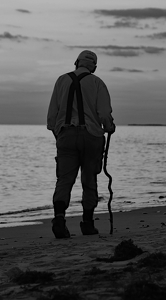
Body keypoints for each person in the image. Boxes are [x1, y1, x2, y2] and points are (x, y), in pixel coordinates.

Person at [47, 50, 115, 239]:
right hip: (91, 136)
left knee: (64, 179)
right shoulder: (97, 82)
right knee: (89, 179)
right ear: (94, 66)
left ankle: (59, 219)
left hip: (65, 135)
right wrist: (110, 127)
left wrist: (60, 135)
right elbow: (103, 113)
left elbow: (52, 117)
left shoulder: (61, 80)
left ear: (76, 63)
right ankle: (87, 223)